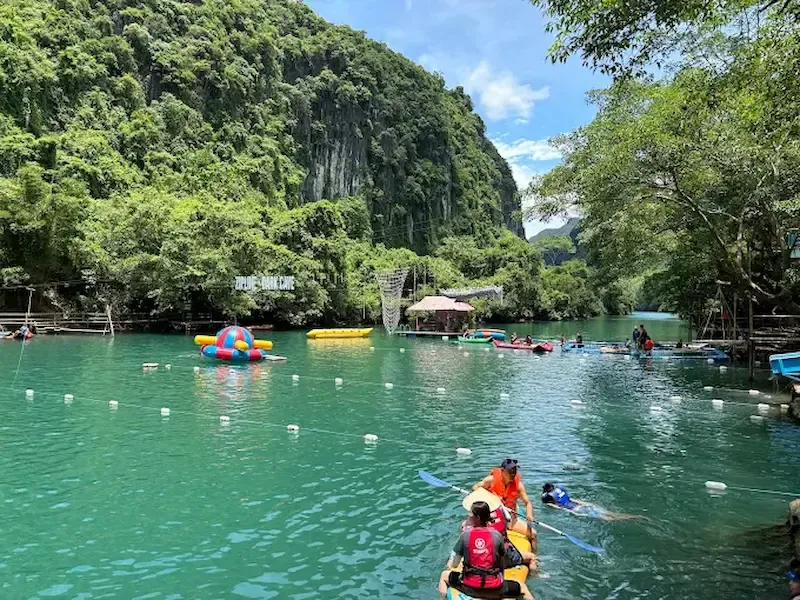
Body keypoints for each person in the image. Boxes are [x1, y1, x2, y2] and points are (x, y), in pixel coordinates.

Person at [438, 501, 534, 600]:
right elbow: (502, 563)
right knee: (522, 588)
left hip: (469, 588)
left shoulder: (465, 535)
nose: (468, 516)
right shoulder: (496, 535)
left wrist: (451, 564)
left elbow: (454, 564)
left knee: (444, 576)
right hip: (495, 589)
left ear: (478, 518)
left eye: (471, 514)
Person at [474, 459, 535, 527]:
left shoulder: (519, 485)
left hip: (510, 516)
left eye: (514, 471)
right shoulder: (491, 480)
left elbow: (528, 503)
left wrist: (529, 514)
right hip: (492, 515)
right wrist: (488, 498)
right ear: (502, 470)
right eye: (510, 471)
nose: (513, 474)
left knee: (533, 534)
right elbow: (475, 487)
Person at [541, 483, 646, 521]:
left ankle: (634, 519)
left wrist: (573, 513)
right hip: (582, 506)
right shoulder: (560, 492)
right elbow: (573, 500)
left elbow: (560, 508)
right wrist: (589, 504)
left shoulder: (550, 499)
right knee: (612, 514)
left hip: (578, 510)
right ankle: (636, 516)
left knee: (609, 519)